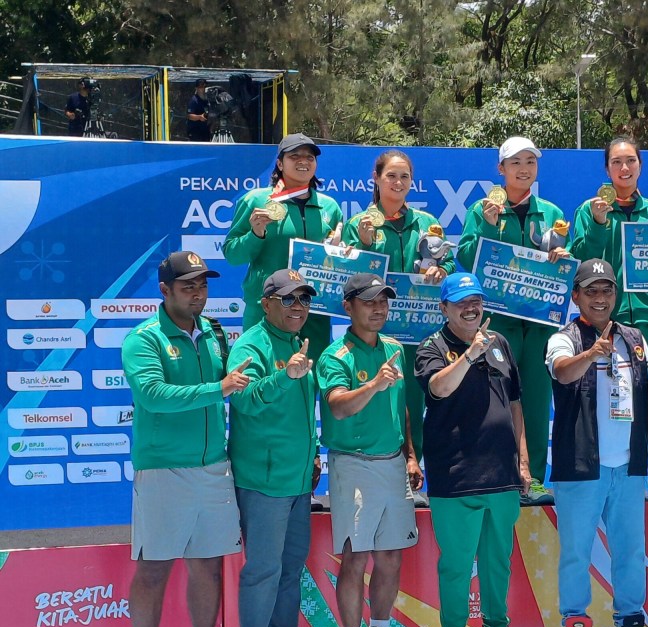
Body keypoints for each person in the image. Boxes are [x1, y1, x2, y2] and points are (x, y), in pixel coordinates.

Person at [121, 251, 248, 627]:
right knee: (154, 569)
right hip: (163, 470)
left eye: (203, 286)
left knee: (208, 565)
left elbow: (235, 382)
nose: (198, 294)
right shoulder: (144, 339)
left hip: (214, 467)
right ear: (165, 291)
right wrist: (219, 388)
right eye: (188, 286)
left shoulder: (214, 333)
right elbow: (154, 395)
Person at [546, 258, 648, 627]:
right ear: (576, 295)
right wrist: (591, 353)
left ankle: (629, 624)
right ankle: (576, 625)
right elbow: (562, 373)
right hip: (581, 466)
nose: (600, 298)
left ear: (616, 295)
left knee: (631, 548)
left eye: (607, 290)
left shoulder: (634, 339)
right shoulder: (564, 338)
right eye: (591, 291)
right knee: (576, 550)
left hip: (629, 466)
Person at [415, 273, 534, 627]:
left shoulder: (499, 343)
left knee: (498, 558)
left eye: (476, 300)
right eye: (462, 302)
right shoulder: (431, 347)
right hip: (456, 475)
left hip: (501, 472)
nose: (471, 308)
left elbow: (514, 403)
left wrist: (523, 458)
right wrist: (469, 355)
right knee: (458, 562)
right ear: (444, 308)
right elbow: (439, 389)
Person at [456, 136, 572, 505]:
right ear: (500, 169)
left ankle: (534, 478)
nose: (524, 169)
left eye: (530, 162)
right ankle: (496, 476)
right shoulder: (483, 209)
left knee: (537, 403)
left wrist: (564, 256)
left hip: (539, 324)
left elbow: (567, 263)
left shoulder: (551, 211)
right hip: (500, 323)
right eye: (516, 162)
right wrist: (490, 226)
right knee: (494, 401)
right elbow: (466, 257)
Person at [317, 273, 423, 627]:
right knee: (355, 558)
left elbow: (402, 409)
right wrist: (375, 384)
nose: (379, 309)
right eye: (369, 302)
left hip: (393, 464)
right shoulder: (335, 356)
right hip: (353, 464)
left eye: (384, 302)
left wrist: (411, 456)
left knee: (391, 557)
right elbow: (339, 407)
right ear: (348, 307)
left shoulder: (394, 348)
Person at [226, 269, 322, 627]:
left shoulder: (300, 343)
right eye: (288, 299)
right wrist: (285, 376)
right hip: (263, 480)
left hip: (298, 480)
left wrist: (314, 454)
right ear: (265, 303)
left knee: (290, 566)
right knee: (263, 567)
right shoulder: (250, 344)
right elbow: (243, 400)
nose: (298, 307)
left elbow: (302, 415)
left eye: (303, 299)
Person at [342, 150, 455, 483]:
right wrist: (365, 243)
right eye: (391, 175)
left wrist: (440, 270)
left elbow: (447, 263)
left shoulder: (426, 223)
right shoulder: (359, 223)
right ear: (376, 179)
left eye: (404, 176)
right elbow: (352, 278)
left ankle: (415, 470)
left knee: (419, 400)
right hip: (377, 330)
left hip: (420, 327)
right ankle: (384, 471)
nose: (398, 182)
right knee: (383, 399)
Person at [223, 133, 343, 359]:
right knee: (260, 381)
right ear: (280, 163)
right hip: (268, 308)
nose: (303, 161)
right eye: (295, 156)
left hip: (313, 310)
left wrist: (339, 252)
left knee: (309, 381)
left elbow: (339, 265)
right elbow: (232, 255)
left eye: (309, 157)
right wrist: (255, 234)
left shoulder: (329, 207)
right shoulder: (257, 201)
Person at [568, 136, 648, 350]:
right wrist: (598, 222)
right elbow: (581, 261)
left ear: (640, 165)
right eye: (616, 162)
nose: (624, 167)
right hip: (605, 315)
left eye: (631, 160)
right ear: (607, 169)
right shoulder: (589, 209)